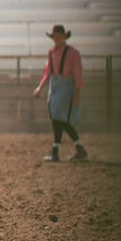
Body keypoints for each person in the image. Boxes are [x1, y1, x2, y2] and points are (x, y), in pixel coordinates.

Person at [33, 24, 88, 162]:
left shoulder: (73, 53)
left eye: (59, 37)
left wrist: (76, 93)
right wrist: (40, 87)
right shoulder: (51, 52)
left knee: (59, 118)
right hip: (54, 86)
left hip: (66, 85)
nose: (56, 39)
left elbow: (77, 74)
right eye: (54, 37)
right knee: (57, 118)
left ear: (64, 37)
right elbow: (48, 72)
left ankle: (57, 151)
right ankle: (75, 149)